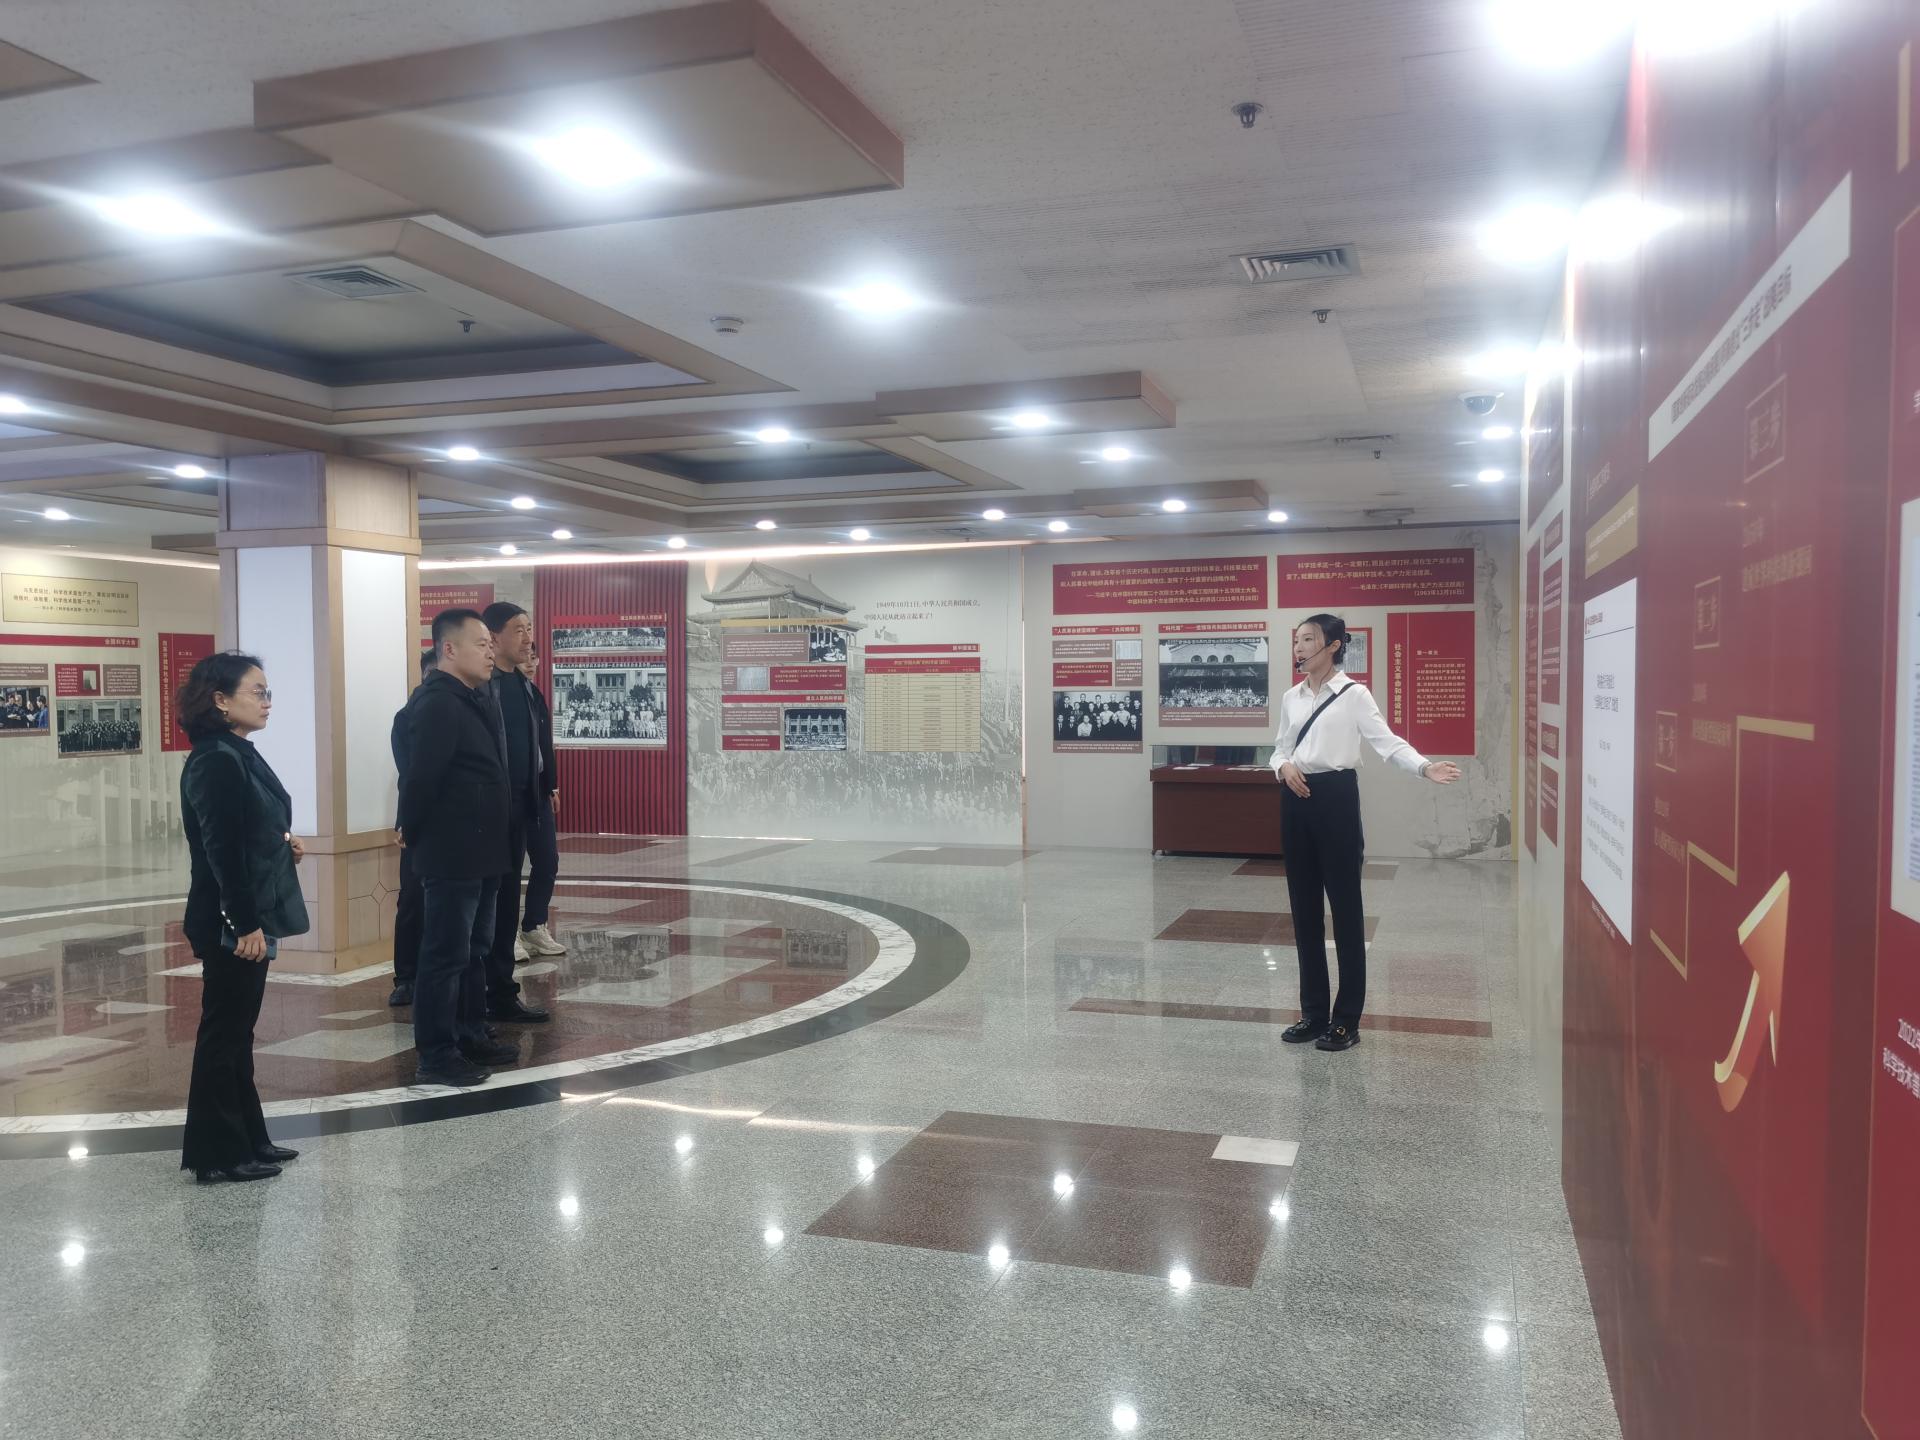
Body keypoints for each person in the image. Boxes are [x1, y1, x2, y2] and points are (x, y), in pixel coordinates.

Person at [1270, 613, 1461, 1052]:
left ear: (1333, 645)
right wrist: (1283, 767)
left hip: (1336, 798)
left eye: (1308, 640)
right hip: (1294, 799)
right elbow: (1279, 748)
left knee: (1346, 910)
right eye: (1296, 640)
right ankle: (1313, 1013)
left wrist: (1424, 766)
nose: (1299, 648)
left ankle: (1346, 1020)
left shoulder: (1353, 694)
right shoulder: (1291, 697)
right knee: (1303, 910)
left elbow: (1387, 742)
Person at [176, 651, 309, 1183]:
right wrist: (243, 923)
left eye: (267, 691)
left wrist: (283, 842)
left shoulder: (237, 752)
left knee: (238, 1032)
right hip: (228, 918)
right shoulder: (215, 760)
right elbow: (221, 850)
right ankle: (216, 1154)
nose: (267, 701)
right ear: (221, 700)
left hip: (245, 911)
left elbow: (248, 827)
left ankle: (249, 1138)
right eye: (257, 691)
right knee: (224, 1033)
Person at [399, 609, 522, 1085]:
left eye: (491, 644)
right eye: (480, 644)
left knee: (474, 949)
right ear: (449, 649)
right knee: (445, 954)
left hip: (483, 850)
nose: (490, 652)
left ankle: (470, 1033)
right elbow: (421, 779)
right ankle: (436, 1053)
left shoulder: (468, 698)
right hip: (453, 852)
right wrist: (414, 832)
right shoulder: (437, 703)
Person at [479, 601, 552, 1023]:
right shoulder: (484, 687)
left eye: (529, 628)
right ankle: (483, 997)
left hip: (521, 809)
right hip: (491, 815)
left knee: (508, 903)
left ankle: (503, 992)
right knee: (490, 907)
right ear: (494, 637)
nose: (528, 638)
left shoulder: (522, 686)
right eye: (519, 630)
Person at [387, 647, 437, 1008]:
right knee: (412, 901)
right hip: (420, 821)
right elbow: (411, 775)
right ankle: (405, 977)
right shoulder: (407, 717)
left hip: (462, 825)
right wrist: (407, 820)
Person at [514, 647, 565, 961]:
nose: (530, 662)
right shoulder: (499, 692)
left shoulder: (534, 695)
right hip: (511, 791)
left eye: (534, 657)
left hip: (538, 790)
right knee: (509, 866)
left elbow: (545, 744)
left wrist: (551, 786)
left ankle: (534, 925)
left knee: (547, 859)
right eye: (524, 657)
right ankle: (505, 934)